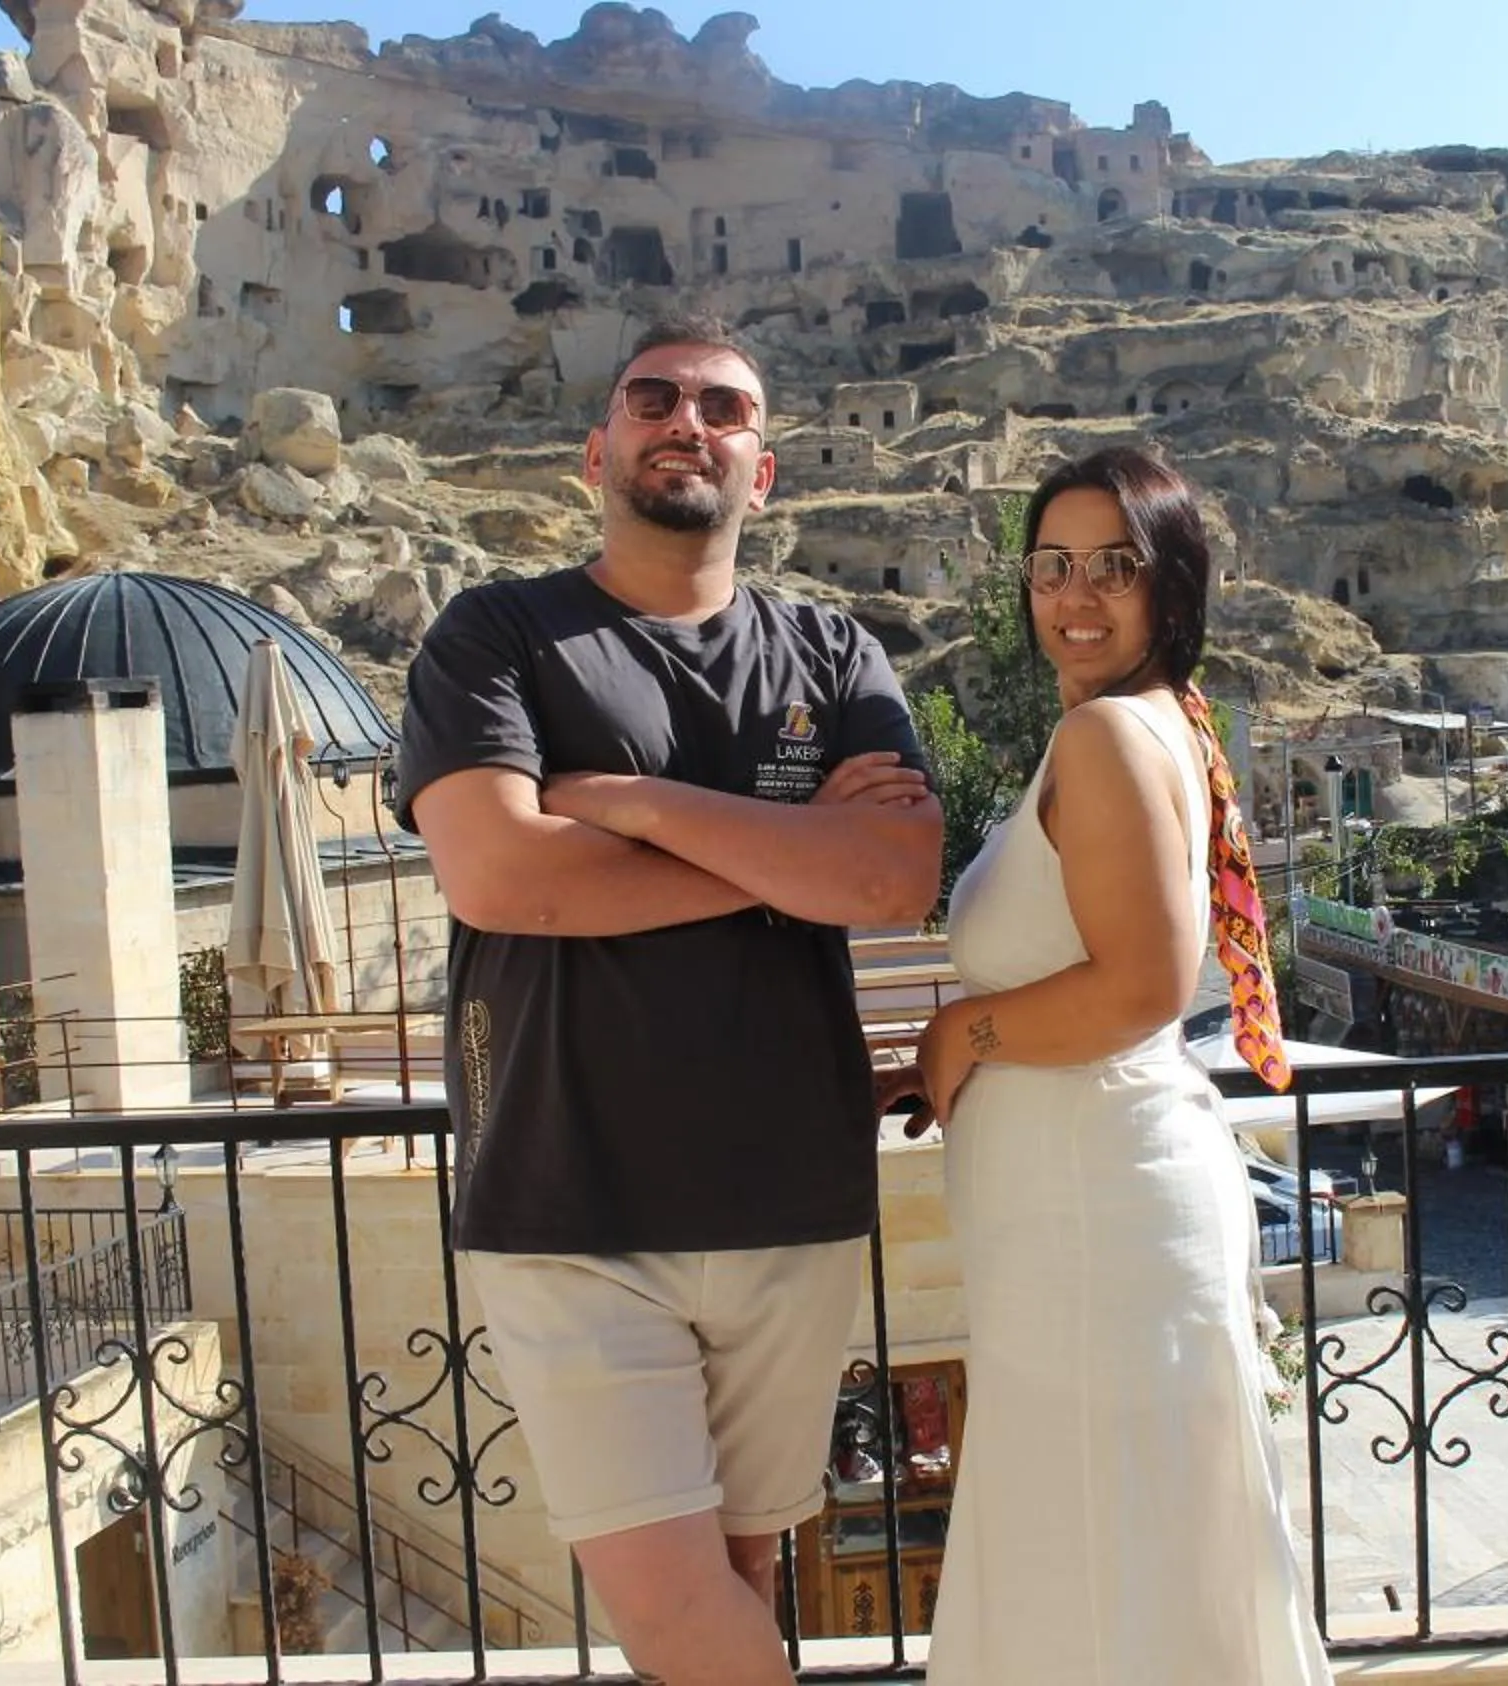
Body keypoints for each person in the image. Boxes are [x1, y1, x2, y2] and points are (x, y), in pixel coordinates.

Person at [396, 311, 944, 1686]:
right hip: (568, 1194)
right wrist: (786, 854)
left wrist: (634, 804)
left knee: (741, 1575)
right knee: (670, 1601)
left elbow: (892, 879)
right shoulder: (498, 636)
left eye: (724, 405)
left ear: (765, 472)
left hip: (793, 1192)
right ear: (598, 450)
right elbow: (504, 877)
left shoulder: (831, 653)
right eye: (655, 396)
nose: (686, 419)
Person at [885, 446, 1334, 1684]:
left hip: (1099, 1213)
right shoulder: (1141, 727)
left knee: (1099, 1562)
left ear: (1171, 587)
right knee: (1121, 1559)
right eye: (1052, 566)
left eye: (1114, 567)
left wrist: (955, 1035)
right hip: (1093, 1205)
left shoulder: (1108, 743)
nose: (1074, 596)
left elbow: (1137, 991)